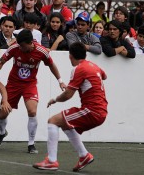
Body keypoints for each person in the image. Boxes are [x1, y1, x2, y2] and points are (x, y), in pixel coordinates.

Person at [33, 41, 108, 172]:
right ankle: (84, 155)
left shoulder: (79, 69)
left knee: (53, 121)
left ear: (70, 55)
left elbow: (68, 95)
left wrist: (54, 99)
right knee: (66, 124)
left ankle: (51, 161)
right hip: (100, 110)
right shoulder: (94, 66)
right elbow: (104, 76)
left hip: (92, 111)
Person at [0, 29, 66, 154]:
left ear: (31, 43)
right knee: (2, 115)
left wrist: (60, 80)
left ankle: (31, 144)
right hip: (13, 84)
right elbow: (1, 61)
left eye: (23, 46)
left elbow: (51, 65)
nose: (21, 48)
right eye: (19, 45)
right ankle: (2, 132)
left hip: (29, 84)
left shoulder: (41, 51)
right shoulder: (15, 47)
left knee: (32, 110)